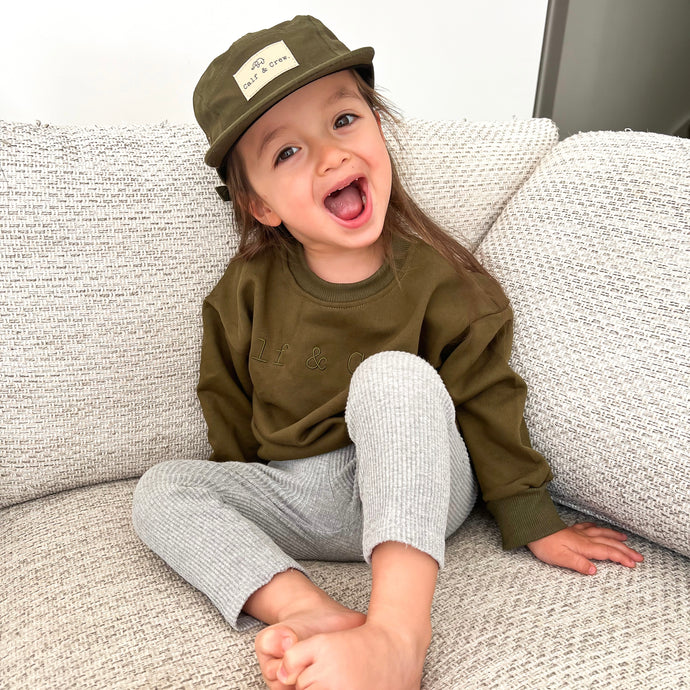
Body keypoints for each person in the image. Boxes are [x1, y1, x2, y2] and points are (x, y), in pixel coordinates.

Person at [132, 15, 644, 690]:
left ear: (377, 127)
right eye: (287, 153)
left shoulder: (439, 279)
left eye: (343, 121)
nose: (330, 156)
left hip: (422, 483)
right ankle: (312, 611)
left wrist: (531, 516)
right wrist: (242, 495)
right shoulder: (242, 294)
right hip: (304, 497)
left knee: (394, 377)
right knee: (160, 490)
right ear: (260, 206)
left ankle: (399, 635)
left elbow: (489, 397)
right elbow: (224, 400)